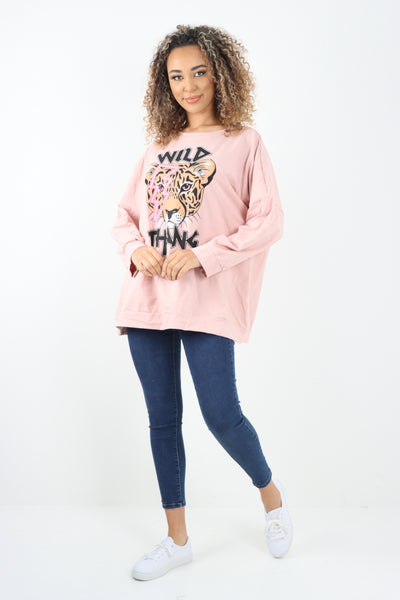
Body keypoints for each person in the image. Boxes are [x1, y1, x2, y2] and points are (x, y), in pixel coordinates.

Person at [111, 24, 293, 581]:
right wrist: (137, 250)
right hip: (147, 301)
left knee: (221, 415)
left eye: (198, 73)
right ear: (163, 85)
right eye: (176, 76)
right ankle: (177, 540)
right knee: (162, 420)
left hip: (207, 300)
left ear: (220, 74)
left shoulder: (244, 142)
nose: (188, 86)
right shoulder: (157, 149)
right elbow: (124, 218)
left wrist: (203, 255)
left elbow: (268, 221)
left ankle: (271, 496)